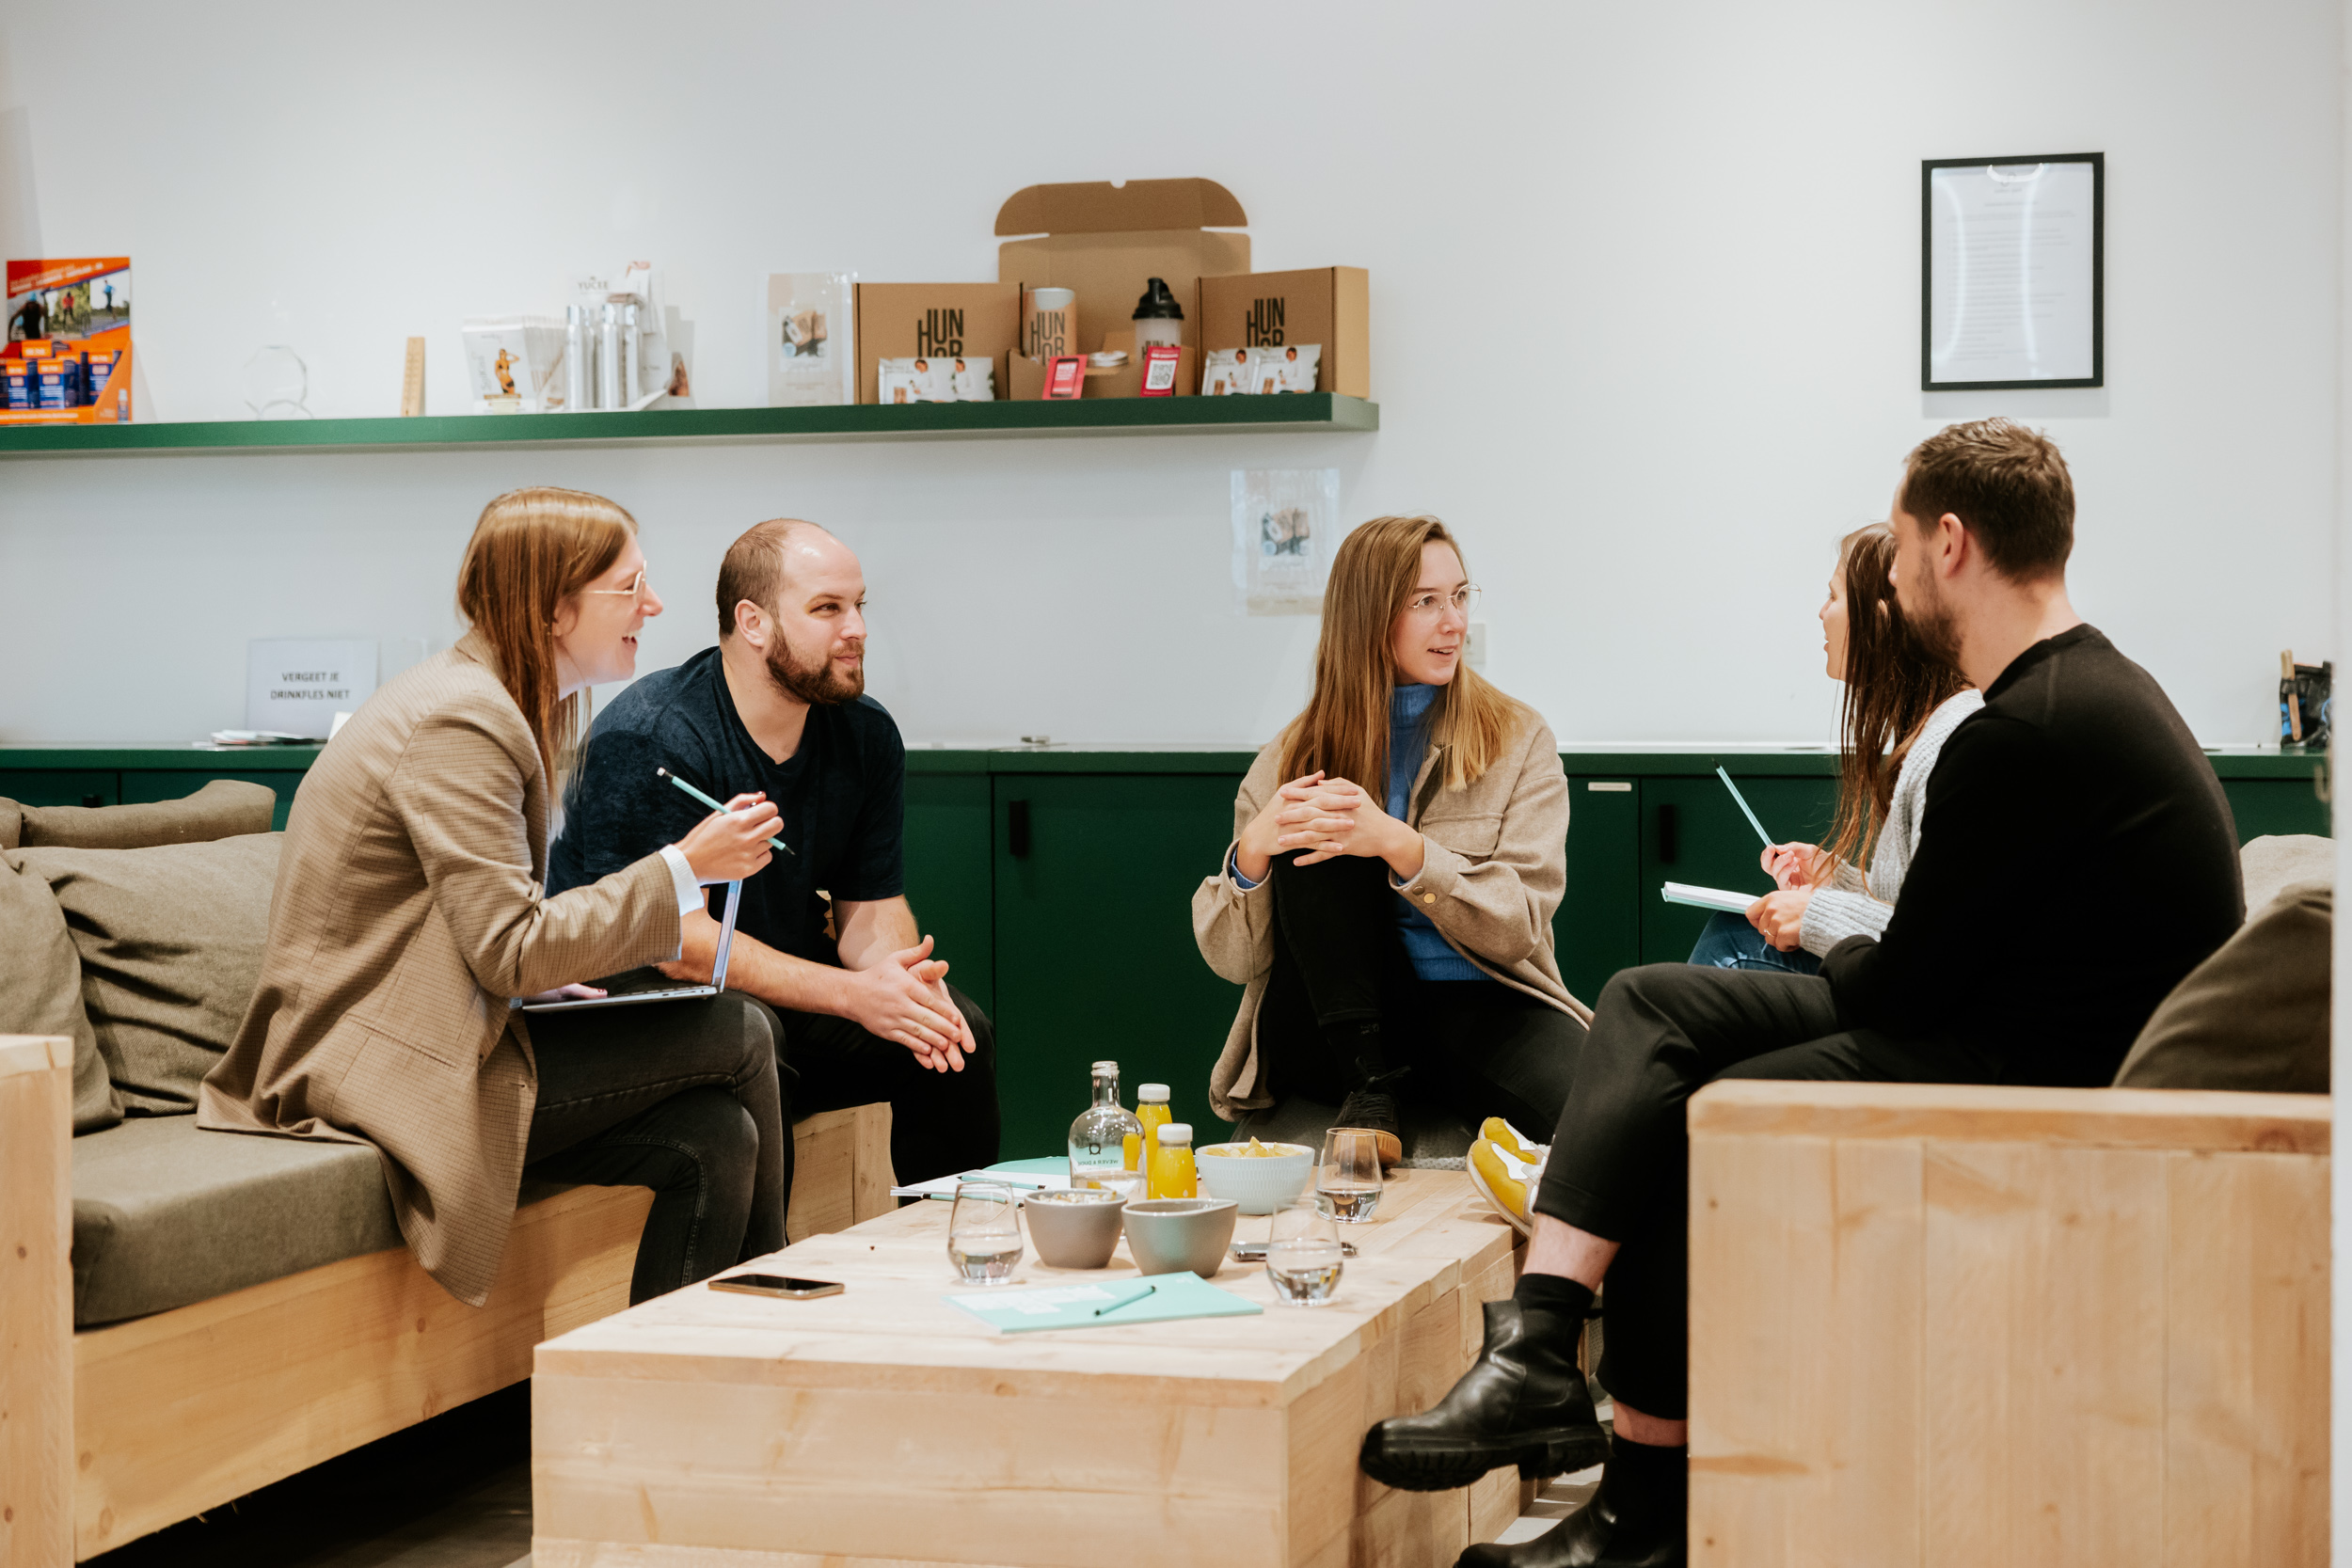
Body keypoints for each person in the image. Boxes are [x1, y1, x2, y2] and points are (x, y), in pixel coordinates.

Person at [1359, 420, 2245, 1568]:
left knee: (1685, 1109)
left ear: (1949, 544)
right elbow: (1933, 962)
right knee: (1649, 1002)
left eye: (1900, 551)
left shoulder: (2026, 730)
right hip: (2010, 1035)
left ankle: (1636, 1510)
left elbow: (1905, 987)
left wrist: (1829, 930)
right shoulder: (2074, 695)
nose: (1891, 579)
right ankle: (1538, 1355)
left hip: (2032, 1083)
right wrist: (1851, 937)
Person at [200, 487, 790, 1308]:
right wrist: (684, 867)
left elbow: (477, 932)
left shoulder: (484, 700)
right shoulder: (462, 720)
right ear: (553, 607)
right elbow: (512, 947)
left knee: (714, 1135)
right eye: (630, 586)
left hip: (435, 1024)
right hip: (364, 1068)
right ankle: (779, 1303)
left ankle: (662, 1373)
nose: (654, 604)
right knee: (740, 1029)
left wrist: (526, 984)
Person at [549, 518, 1000, 1189]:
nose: (857, 629)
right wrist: (853, 995)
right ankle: (771, 1254)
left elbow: (869, 907)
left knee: (954, 1031)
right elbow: (677, 945)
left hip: (784, 984)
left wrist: (898, 984)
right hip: (646, 998)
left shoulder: (866, 733)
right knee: (754, 1032)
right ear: (753, 622)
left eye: (858, 605)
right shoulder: (655, 735)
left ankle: (955, 1234)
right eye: (827, 609)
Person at [1193, 514, 1590, 1166]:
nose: (1454, 623)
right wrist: (1253, 855)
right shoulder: (1291, 756)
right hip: (1338, 1028)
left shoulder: (1520, 740)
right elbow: (1234, 960)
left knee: (1604, 1119)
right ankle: (1371, 1085)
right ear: (1370, 618)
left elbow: (1518, 926)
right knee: (1322, 808)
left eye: (1459, 596)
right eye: (1426, 602)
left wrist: (1402, 847)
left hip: (1481, 1003)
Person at [1684, 522, 1979, 976]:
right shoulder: (1934, 729)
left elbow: (1943, 936)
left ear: (1879, 619)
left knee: (1728, 944)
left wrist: (1815, 913)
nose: (1822, 612)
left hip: (1921, 1002)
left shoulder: (1950, 739)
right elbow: (1917, 904)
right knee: (1729, 933)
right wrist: (1836, 878)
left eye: (1834, 596)